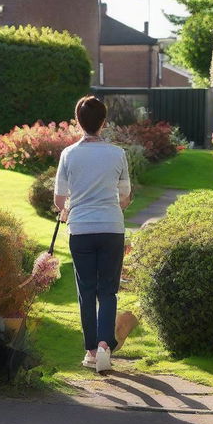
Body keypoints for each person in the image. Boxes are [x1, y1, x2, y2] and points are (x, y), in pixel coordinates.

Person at [54, 95, 133, 373]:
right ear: (103, 122)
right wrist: (115, 205)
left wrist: (66, 211)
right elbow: (125, 196)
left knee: (86, 291)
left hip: (82, 230)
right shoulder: (117, 154)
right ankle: (104, 347)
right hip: (111, 229)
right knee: (108, 291)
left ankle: (90, 351)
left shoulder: (69, 155)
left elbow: (60, 199)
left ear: (78, 121)